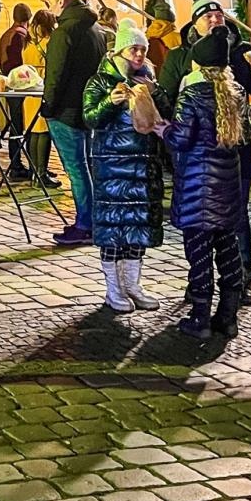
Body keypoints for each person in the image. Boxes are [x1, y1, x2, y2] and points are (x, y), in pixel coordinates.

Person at [154, 29, 251, 338]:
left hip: (198, 189)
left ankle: (199, 319)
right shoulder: (237, 92)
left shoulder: (193, 95)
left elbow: (182, 139)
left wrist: (162, 130)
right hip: (228, 188)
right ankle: (228, 316)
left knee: (198, 255)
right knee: (228, 250)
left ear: (197, 64)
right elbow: (243, 136)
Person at [83, 19, 166, 312]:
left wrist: (156, 94)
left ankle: (133, 284)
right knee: (113, 226)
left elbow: (163, 115)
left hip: (142, 167)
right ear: (119, 51)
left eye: (143, 49)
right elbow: (90, 118)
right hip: (112, 165)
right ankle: (113, 289)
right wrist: (109, 102)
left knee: (136, 226)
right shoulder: (99, 82)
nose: (139, 55)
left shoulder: (147, 80)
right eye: (134, 49)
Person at [43, 0, 106, 246]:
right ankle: (93, 220)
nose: (49, 8)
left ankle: (84, 224)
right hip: (88, 106)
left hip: (66, 109)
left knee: (76, 169)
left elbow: (56, 73)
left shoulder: (64, 32)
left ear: (60, 3)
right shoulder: (95, 29)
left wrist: (49, 105)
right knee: (88, 166)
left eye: (50, 3)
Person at [22, 9, 58, 188]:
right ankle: (41, 173)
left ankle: (34, 169)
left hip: (29, 89)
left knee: (33, 132)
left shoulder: (27, 41)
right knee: (43, 131)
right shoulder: (49, 41)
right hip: (42, 87)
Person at [0, 3, 33, 180]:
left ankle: (16, 163)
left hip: (9, 83)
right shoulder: (21, 35)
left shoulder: (6, 33)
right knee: (18, 125)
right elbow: (22, 62)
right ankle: (16, 165)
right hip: (20, 85)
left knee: (15, 124)